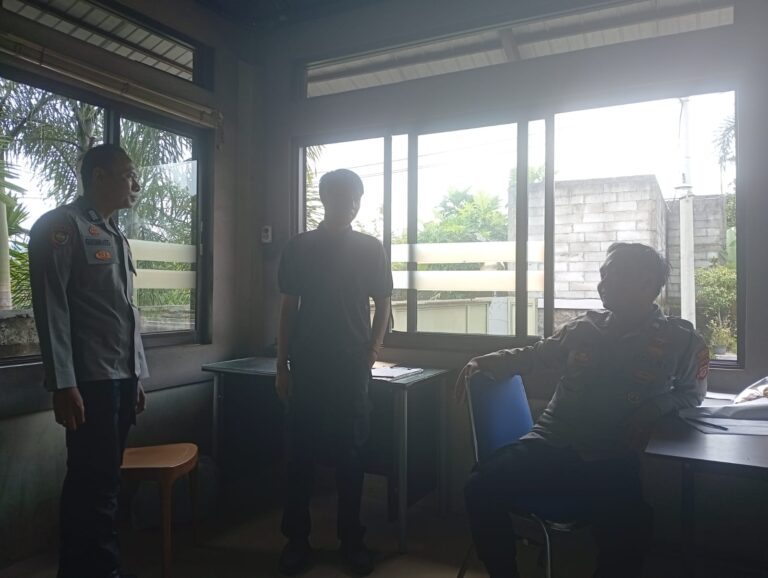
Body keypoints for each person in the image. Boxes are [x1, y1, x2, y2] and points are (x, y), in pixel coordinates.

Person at [456, 242, 708, 578]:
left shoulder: (682, 339)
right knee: (480, 485)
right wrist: (488, 360)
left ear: (647, 283)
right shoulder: (584, 327)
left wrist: (654, 407)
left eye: (614, 275)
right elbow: (537, 355)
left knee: (631, 529)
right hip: (550, 443)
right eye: (603, 275)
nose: (603, 284)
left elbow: (692, 394)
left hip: (612, 455)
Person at [29, 144, 149, 578]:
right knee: (94, 487)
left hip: (119, 378)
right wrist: (63, 383)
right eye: (128, 174)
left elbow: (122, 314)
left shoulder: (113, 233)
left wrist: (136, 375)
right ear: (98, 177)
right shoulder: (61, 227)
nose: (136, 184)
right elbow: (52, 309)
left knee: (104, 482)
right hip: (89, 382)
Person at [275, 169, 392, 576]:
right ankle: (296, 541)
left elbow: (384, 302)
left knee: (351, 456)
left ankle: (351, 540)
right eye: (344, 197)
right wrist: (282, 365)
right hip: (307, 365)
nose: (351, 205)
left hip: (351, 367)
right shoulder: (300, 246)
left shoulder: (370, 248)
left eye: (357, 198)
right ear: (325, 199)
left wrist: (373, 351)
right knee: (299, 456)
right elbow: (288, 309)